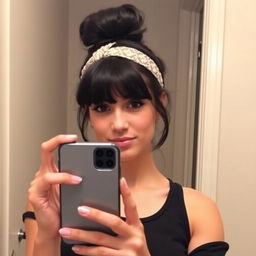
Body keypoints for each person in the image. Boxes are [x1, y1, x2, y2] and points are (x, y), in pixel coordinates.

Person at [24, 4, 229, 256]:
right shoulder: (55, 198)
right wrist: (47, 236)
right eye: (102, 107)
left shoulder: (197, 211)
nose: (119, 124)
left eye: (134, 104)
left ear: (158, 104)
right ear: (88, 113)